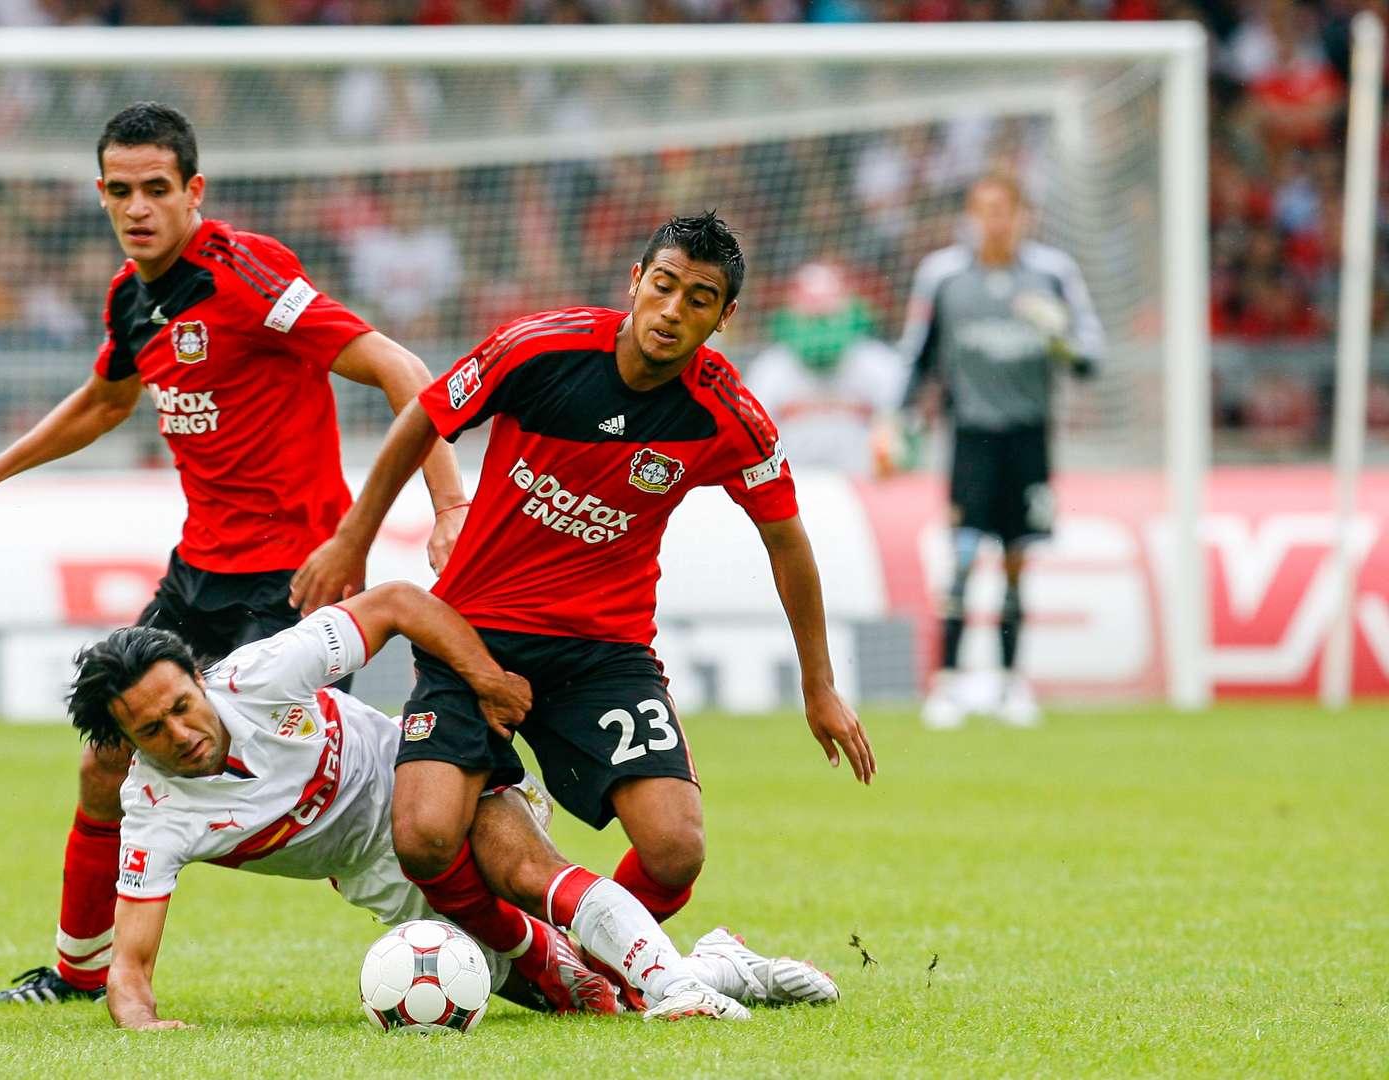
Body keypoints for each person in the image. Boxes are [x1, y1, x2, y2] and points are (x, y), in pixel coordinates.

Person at [0, 102, 470, 1004]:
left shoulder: (250, 275)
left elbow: (400, 368)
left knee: (291, 796)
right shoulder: (132, 296)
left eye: (155, 190)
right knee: (106, 758)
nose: (136, 208)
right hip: (198, 575)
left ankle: (478, 926)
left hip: (297, 577)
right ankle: (78, 972)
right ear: (101, 195)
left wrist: (448, 499)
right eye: (119, 192)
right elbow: (106, 402)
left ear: (194, 192)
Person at [291, 212, 875, 1006]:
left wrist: (819, 685)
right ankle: (557, 968)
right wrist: (355, 537)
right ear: (636, 281)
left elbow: (789, 543)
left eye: (699, 299)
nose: (673, 311)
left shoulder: (726, 414)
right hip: (475, 636)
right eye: (663, 286)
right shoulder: (541, 348)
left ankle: (599, 969)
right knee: (425, 840)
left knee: (675, 850)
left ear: (723, 317)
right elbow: (426, 416)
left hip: (603, 652)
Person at [74, 582, 835, 1028]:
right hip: (393, 887)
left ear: (198, 680)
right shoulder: (156, 812)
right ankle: (718, 967)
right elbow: (131, 969)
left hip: (439, 782)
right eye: (152, 728)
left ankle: (678, 983)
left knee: (528, 873)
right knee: (580, 997)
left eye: (182, 704)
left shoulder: (262, 675)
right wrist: (144, 1027)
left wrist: (485, 678)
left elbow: (400, 602)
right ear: (125, 742)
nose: (183, 732)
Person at [890, 174, 1104, 730]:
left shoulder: (1052, 274)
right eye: (984, 210)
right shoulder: (944, 276)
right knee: (961, 560)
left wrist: (1062, 341)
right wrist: (898, 418)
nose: (995, 221)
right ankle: (948, 683)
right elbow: (919, 354)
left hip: (1030, 436)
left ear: (1023, 216)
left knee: (1015, 563)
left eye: (1005, 210)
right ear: (970, 214)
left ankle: (1011, 684)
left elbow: (1090, 355)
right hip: (971, 436)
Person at [743, 261, 908, 478]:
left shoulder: (878, 364)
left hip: (860, 489)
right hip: (793, 491)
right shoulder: (770, 369)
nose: (820, 327)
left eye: (827, 317)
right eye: (812, 317)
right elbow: (751, 444)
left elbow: (895, 433)